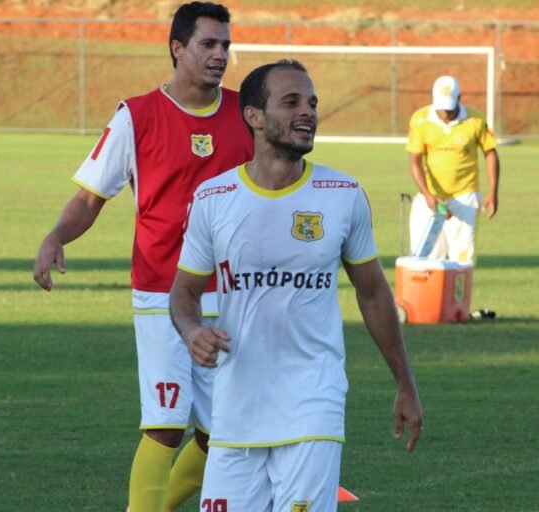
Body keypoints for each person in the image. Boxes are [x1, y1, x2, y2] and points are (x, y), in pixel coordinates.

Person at [169, 60, 423, 511]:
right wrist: (192, 332)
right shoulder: (213, 199)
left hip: (312, 401)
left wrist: (405, 382)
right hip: (234, 410)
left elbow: (373, 293)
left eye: (312, 103)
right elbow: (183, 293)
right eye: (291, 102)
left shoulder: (342, 194)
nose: (308, 112)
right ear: (254, 116)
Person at [32, 3, 253, 511]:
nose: (220, 54)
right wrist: (55, 237)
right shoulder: (137, 115)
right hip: (161, 291)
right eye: (208, 44)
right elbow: (90, 197)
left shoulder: (248, 113)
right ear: (178, 48)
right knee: (166, 424)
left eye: (225, 44)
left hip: (233, 294)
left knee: (226, 430)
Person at [406, 75, 500, 263]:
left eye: (449, 107)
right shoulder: (420, 120)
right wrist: (427, 195)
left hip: (464, 195)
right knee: (426, 257)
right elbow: (415, 160)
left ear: (459, 98)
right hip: (431, 198)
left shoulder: (476, 120)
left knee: (462, 259)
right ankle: (430, 294)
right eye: (441, 107)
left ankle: (457, 293)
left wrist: (493, 192)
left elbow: (490, 153)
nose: (445, 113)